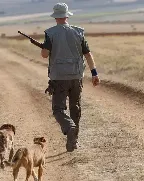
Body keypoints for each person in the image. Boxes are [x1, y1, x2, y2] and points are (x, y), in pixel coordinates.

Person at [41, 2, 100, 152]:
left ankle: (69, 127)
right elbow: (87, 54)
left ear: (55, 17)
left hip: (59, 78)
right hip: (76, 76)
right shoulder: (79, 32)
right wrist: (94, 73)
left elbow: (44, 55)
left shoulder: (50, 33)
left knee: (58, 109)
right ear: (67, 16)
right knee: (75, 108)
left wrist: (45, 47)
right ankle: (73, 142)